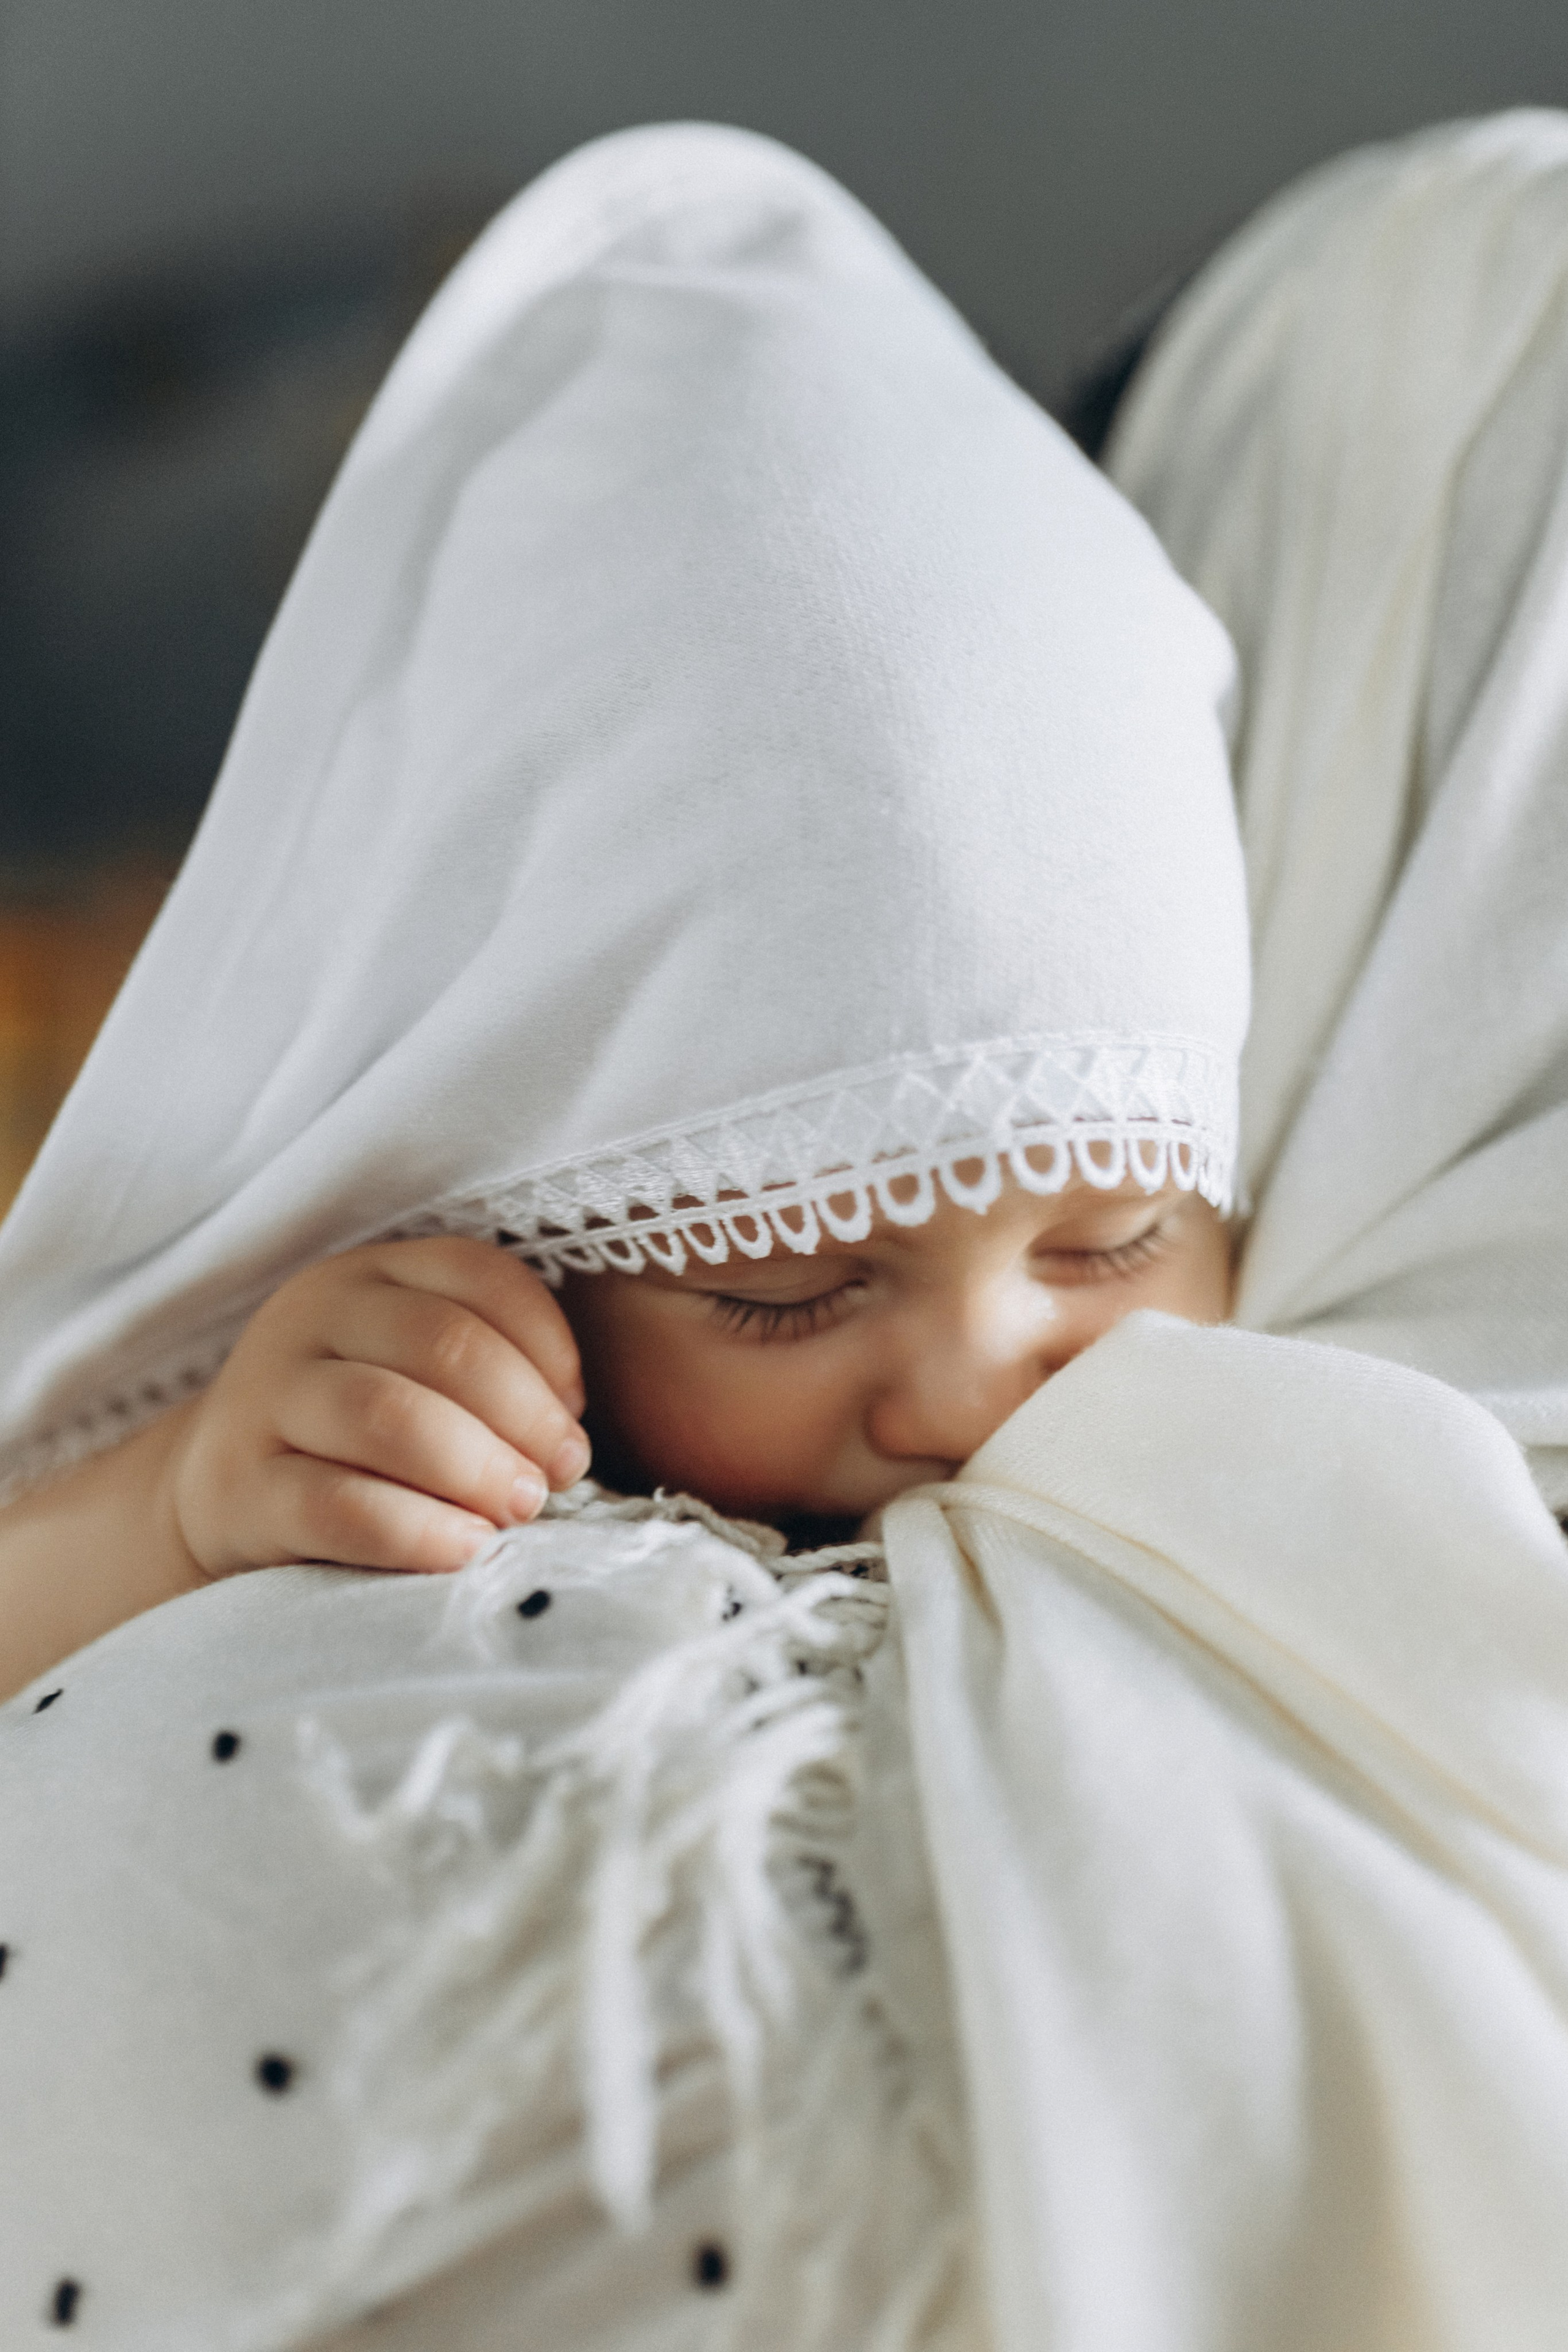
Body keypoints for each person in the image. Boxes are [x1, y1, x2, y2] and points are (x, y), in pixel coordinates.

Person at [4, 108, 1568, 2352]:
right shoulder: (410, 1373)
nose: (974, 1383)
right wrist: (177, 1499)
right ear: (538, 1205)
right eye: (789, 1284)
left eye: (1117, 1231)